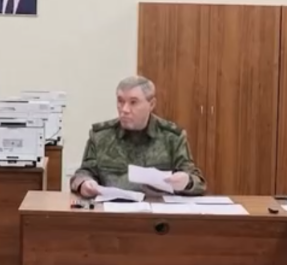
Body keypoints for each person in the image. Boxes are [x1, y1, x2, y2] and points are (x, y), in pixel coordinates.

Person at [70, 76, 205, 197]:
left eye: (133, 102)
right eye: (120, 101)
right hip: (112, 211)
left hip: (157, 212)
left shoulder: (172, 137)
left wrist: (186, 182)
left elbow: (198, 182)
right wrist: (84, 183)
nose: (124, 109)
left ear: (151, 104)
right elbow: (84, 172)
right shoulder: (101, 136)